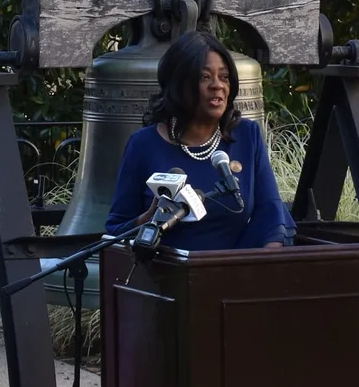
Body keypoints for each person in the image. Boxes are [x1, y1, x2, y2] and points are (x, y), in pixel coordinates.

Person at [105, 30, 294, 249]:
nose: (217, 85)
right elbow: (116, 230)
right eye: (205, 77)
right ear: (179, 83)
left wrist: (263, 264)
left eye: (224, 77)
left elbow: (271, 215)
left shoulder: (246, 135)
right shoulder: (143, 145)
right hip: (166, 268)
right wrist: (150, 218)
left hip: (235, 267)